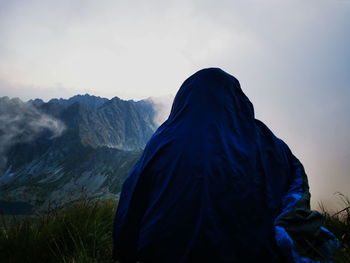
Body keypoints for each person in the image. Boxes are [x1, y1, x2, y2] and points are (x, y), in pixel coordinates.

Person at [112, 68, 339, 263]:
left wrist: (125, 253)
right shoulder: (270, 145)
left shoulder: (163, 141)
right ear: (237, 100)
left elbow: (131, 202)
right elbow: (296, 190)